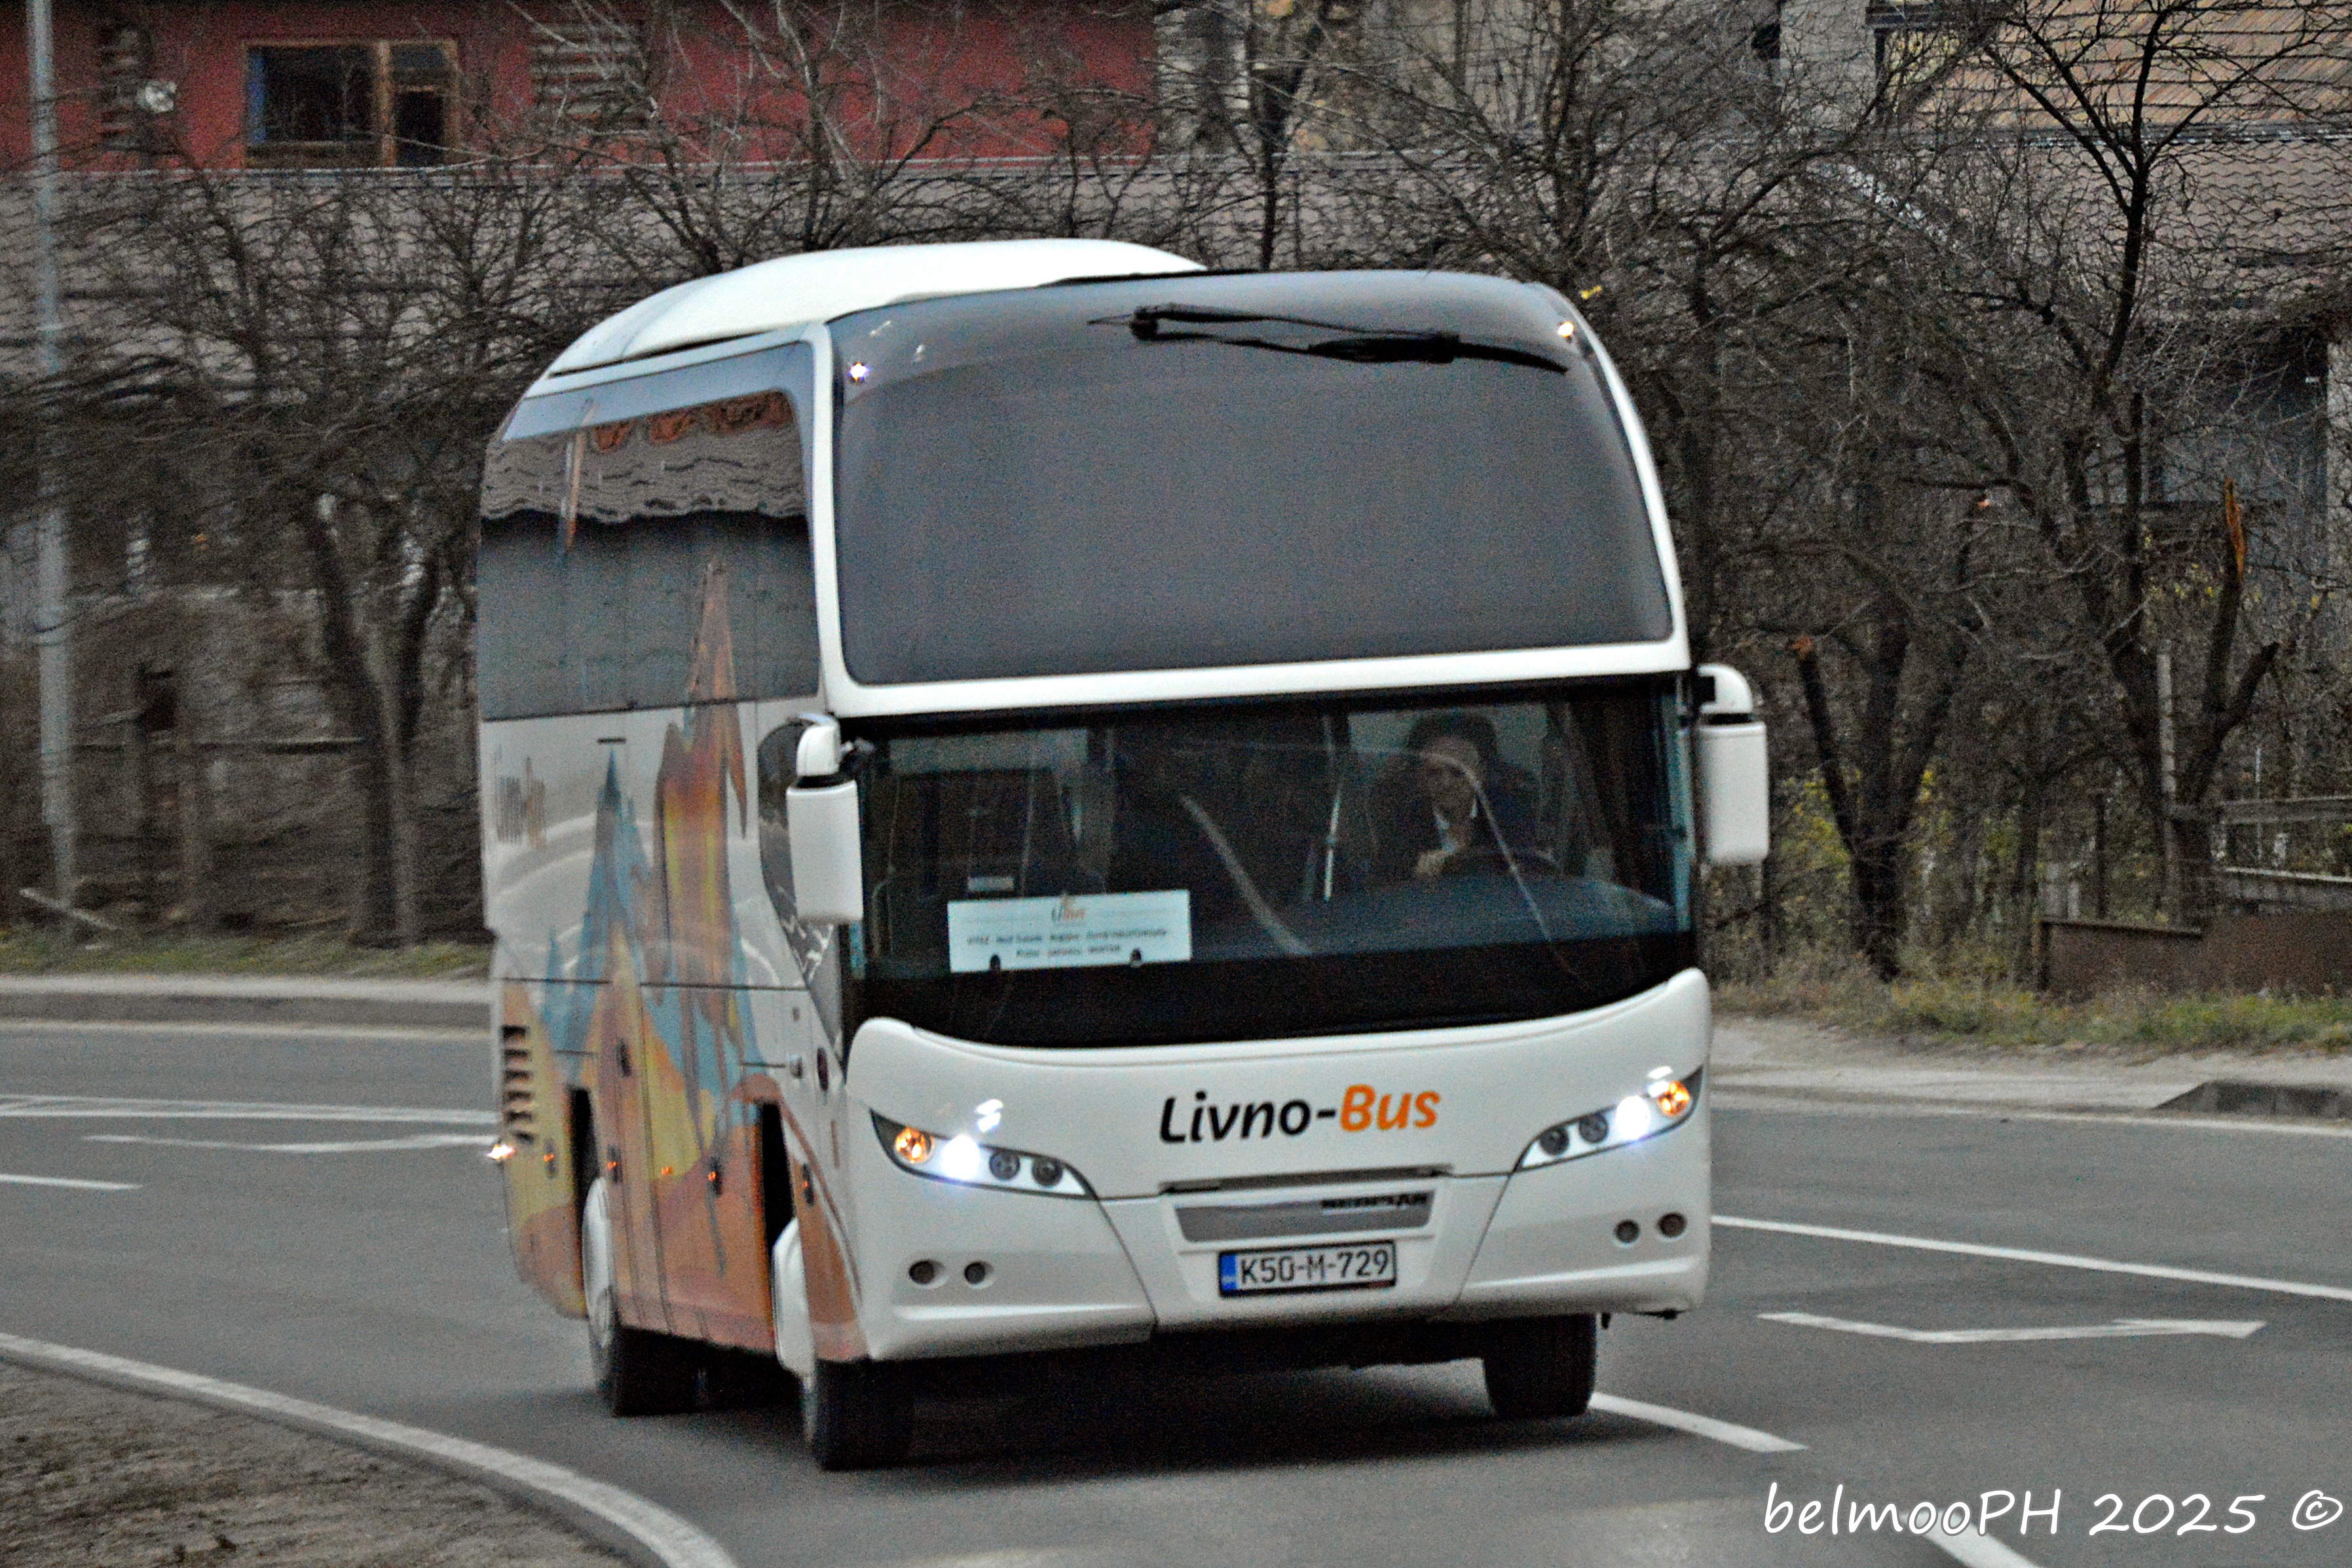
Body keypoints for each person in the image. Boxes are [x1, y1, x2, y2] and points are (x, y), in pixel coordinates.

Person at [1372, 713, 1538, 882]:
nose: (1446, 784)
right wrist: (1415, 876)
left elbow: (1535, 872)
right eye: (1434, 773)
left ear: (1480, 775)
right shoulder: (1402, 825)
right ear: (1421, 778)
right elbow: (1383, 883)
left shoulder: (1509, 816)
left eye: (1458, 772)